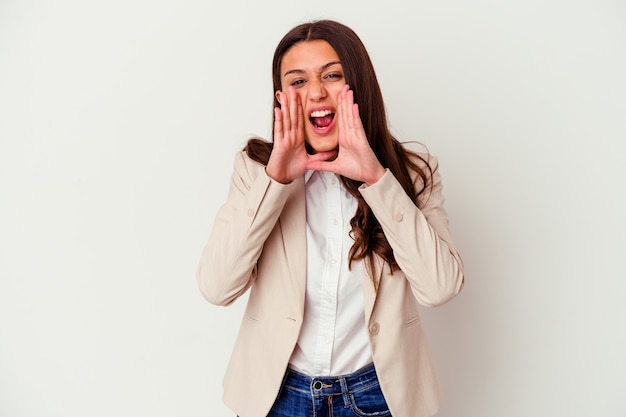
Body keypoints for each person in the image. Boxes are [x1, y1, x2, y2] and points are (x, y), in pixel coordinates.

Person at [197, 19, 464, 417]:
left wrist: (377, 179)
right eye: (298, 81)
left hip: (378, 395)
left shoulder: (413, 171)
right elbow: (217, 287)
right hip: (277, 394)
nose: (317, 92)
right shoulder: (255, 170)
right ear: (282, 98)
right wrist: (276, 180)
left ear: (358, 85)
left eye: (333, 75)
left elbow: (440, 287)